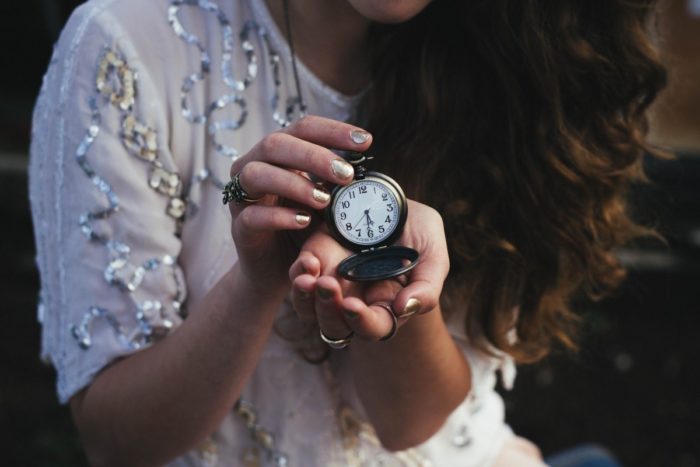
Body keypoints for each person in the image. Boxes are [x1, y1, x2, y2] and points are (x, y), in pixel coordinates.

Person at [28, 0, 666, 465]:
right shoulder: (125, 48)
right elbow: (117, 441)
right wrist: (255, 285)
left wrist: (396, 296)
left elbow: (410, 425)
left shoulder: (513, 62)